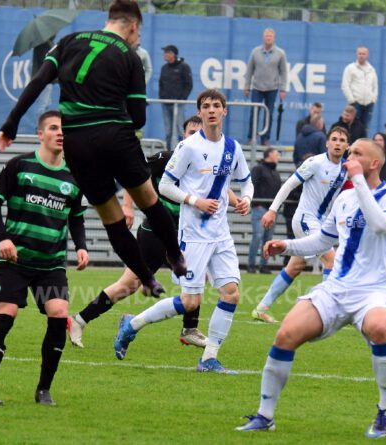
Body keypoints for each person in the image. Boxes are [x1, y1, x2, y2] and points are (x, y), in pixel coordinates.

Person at [0, 0, 187, 298]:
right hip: (115, 137)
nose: (137, 39)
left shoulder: (68, 42)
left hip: (77, 145)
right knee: (149, 201)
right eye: (138, 34)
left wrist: (11, 123)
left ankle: (146, 277)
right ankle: (175, 255)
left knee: (112, 219)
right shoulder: (130, 56)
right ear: (133, 26)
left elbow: (38, 82)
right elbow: (138, 118)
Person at [237, 138, 386, 438]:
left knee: (381, 327)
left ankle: (385, 410)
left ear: (374, 163)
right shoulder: (343, 200)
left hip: (372, 290)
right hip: (336, 287)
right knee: (286, 333)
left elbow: (380, 224)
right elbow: (323, 240)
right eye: (349, 151)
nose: (349, 156)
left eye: (357, 153)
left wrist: (357, 180)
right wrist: (287, 246)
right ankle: (265, 416)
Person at [113, 89, 253, 374]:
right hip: (194, 235)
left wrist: (247, 198)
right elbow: (165, 186)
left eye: (216, 105)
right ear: (200, 113)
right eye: (205, 106)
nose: (211, 110)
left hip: (221, 235)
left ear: (225, 111)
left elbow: (245, 181)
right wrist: (195, 201)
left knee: (231, 294)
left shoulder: (233, 148)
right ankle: (132, 324)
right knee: (191, 301)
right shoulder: (188, 147)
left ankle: (209, 359)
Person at [0, 111, 89, 406]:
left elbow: (76, 217)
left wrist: (81, 246)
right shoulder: (20, 166)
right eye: (53, 128)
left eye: (64, 129)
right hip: (16, 262)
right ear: (41, 134)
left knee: (59, 314)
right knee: (6, 314)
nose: (60, 133)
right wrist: (4, 239)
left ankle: (43, 390)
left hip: (50, 265)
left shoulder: (74, 175)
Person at [66, 116, 208, 350]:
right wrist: (128, 206)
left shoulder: (205, 164)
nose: (194, 136)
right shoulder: (167, 158)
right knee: (128, 284)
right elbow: (133, 176)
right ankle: (80, 320)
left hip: (186, 233)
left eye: (199, 133)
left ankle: (189, 329)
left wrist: (241, 201)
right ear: (183, 135)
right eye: (191, 131)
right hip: (155, 232)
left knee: (196, 275)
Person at [253, 127, 350, 323]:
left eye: (342, 140)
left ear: (347, 145)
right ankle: (327, 312)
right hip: (306, 219)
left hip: (321, 223)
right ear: (327, 143)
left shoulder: (345, 170)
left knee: (295, 266)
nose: (338, 143)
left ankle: (261, 308)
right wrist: (272, 209)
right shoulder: (315, 163)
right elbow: (289, 184)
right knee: (331, 260)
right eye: (334, 139)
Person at [244, 28, 288, 146]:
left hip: (272, 88)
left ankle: (265, 139)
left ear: (274, 38)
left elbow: (283, 72)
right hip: (257, 88)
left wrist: (283, 88)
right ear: (263, 38)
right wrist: (247, 86)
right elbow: (249, 70)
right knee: (254, 113)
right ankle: (251, 138)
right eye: (266, 36)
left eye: (270, 36)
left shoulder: (280, 53)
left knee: (269, 114)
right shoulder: (255, 52)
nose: (268, 38)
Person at [249, 147, 282, 274]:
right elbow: (251, 185)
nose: (278, 157)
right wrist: (255, 203)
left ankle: (263, 265)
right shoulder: (258, 169)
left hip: (271, 211)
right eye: (276, 154)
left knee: (268, 239)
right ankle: (251, 265)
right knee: (257, 236)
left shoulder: (275, 172)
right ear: (269, 155)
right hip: (260, 208)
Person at [159, 44, 193, 149]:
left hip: (178, 105)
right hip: (165, 104)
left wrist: (182, 99)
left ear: (172, 54)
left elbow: (189, 84)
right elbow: (161, 83)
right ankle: (169, 153)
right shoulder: (164, 68)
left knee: (180, 129)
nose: (164, 55)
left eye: (166, 52)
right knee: (168, 130)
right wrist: (162, 96)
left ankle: (182, 151)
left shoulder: (184, 67)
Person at [341, 46, 378, 134]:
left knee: (365, 129)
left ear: (367, 55)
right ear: (357, 55)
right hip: (355, 104)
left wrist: (373, 100)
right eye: (359, 53)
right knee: (353, 127)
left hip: (369, 104)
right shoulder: (350, 68)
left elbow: (375, 86)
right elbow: (345, 85)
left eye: (363, 54)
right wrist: (352, 100)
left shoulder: (371, 69)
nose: (361, 56)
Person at [32, 38, 56, 118]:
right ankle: (40, 127)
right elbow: (47, 62)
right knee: (42, 106)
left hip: (46, 80)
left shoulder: (48, 43)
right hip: (44, 80)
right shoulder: (43, 44)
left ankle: (41, 127)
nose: (56, 32)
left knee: (45, 105)